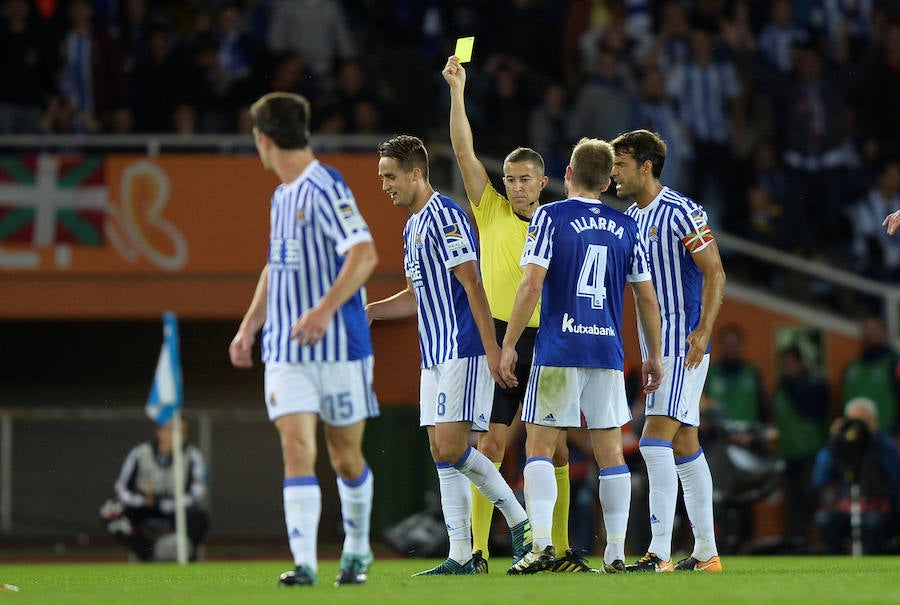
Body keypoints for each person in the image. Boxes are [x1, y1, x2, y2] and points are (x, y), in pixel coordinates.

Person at [228, 92, 380, 588]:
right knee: (297, 449)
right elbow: (278, 265)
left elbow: (364, 255)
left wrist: (323, 309)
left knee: (345, 457)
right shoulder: (281, 197)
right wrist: (250, 325)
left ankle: (357, 550)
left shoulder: (324, 186)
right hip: (287, 351)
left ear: (264, 139)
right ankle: (306, 564)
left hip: (340, 347)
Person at [442, 56, 586, 570]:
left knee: (558, 449)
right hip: (502, 336)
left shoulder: (561, 220)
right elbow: (462, 150)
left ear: (545, 180)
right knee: (491, 443)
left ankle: (563, 550)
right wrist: (458, 91)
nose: (516, 186)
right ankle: (478, 551)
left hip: (549, 338)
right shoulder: (492, 210)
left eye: (525, 178)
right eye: (509, 178)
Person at [367, 134, 532, 576]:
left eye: (390, 176)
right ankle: (462, 555)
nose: (385, 185)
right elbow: (414, 297)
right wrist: (372, 312)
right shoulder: (410, 226)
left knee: (453, 446)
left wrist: (493, 348)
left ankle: (520, 522)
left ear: (416, 173)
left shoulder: (446, 216)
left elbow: (472, 284)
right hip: (433, 354)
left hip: (463, 348)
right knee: (441, 453)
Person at [500, 137, 664, 575]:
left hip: (557, 351)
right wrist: (654, 356)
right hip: (606, 353)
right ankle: (614, 553)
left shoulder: (550, 217)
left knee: (538, 444)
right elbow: (647, 299)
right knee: (611, 453)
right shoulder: (627, 227)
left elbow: (531, 285)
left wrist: (510, 343)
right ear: (610, 181)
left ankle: (539, 547)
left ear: (568, 174)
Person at [609, 129, 727, 572]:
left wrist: (702, 331)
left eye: (621, 165)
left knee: (653, 441)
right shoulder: (630, 219)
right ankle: (706, 552)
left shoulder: (681, 211)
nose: (614, 173)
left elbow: (715, 272)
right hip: (658, 350)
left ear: (646, 166)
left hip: (683, 345)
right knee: (684, 445)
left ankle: (659, 552)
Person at [101, 417, 209, 562]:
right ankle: (148, 554)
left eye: (182, 431)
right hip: (145, 505)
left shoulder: (192, 455)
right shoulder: (140, 453)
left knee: (199, 517)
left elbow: (199, 490)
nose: (176, 436)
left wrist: (171, 502)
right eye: (171, 430)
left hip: (176, 507)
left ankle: (187, 555)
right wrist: (140, 500)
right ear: (159, 432)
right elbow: (121, 487)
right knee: (110, 512)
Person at [812, 397, 900, 554]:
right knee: (825, 519)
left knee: (874, 523)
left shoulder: (885, 445)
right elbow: (820, 478)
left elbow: (895, 481)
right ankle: (837, 568)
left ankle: (870, 568)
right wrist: (834, 441)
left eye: (862, 421)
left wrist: (871, 439)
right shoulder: (841, 447)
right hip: (848, 506)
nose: (857, 427)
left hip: (876, 507)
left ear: (874, 422)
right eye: (853, 421)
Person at [772, 343, 829, 552]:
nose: (786, 367)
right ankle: (795, 544)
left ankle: (817, 543)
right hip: (788, 454)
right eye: (783, 363)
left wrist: (790, 386)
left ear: (800, 362)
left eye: (789, 363)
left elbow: (810, 409)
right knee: (791, 502)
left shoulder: (814, 384)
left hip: (811, 452)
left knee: (811, 499)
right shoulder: (781, 387)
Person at [841, 316, 900, 438]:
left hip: (883, 431)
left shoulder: (894, 363)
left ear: (884, 333)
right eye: (866, 329)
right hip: (855, 431)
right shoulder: (852, 366)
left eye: (874, 329)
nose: (870, 334)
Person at [704, 323, 768, 424]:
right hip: (717, 435)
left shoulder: (752, 373)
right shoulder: (710, 373)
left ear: (741, 345)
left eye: (734, 343)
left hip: (747, 435)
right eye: (727, 343)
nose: (730, 348)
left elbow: (763, 406)